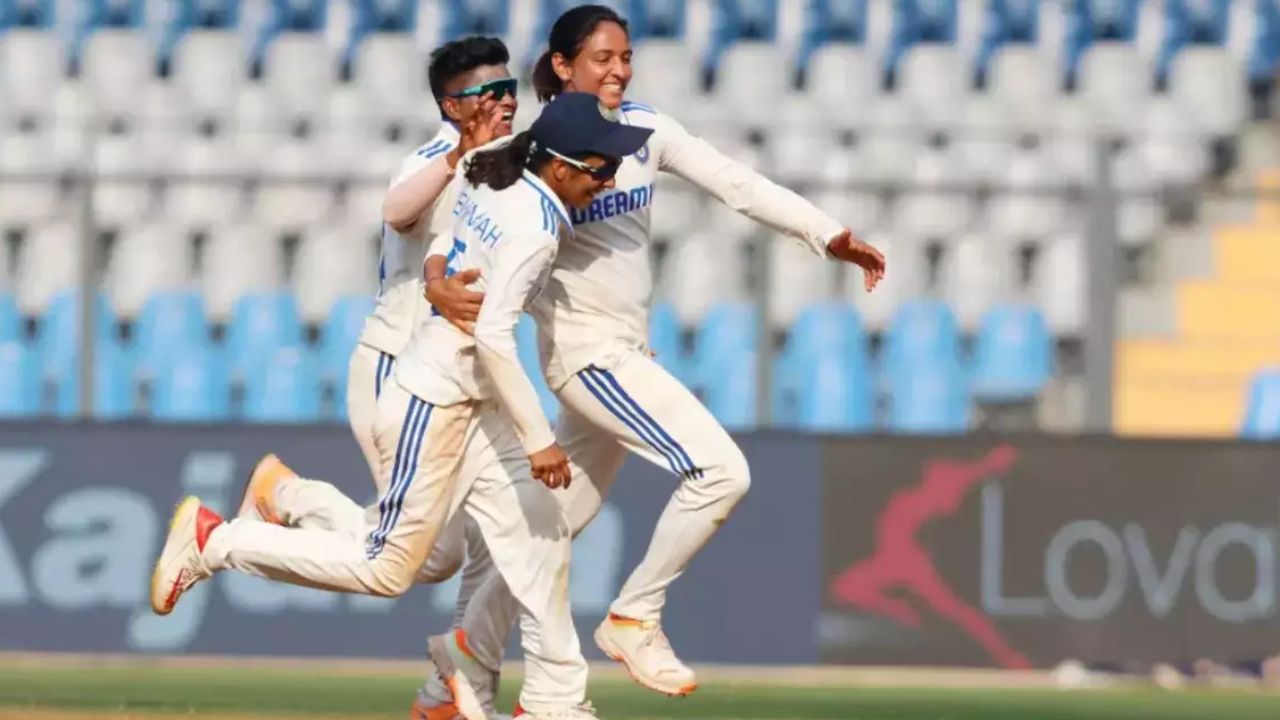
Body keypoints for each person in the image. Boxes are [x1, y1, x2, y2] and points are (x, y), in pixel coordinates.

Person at [415, 4, 886, 711]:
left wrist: (829, 235)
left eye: (626, 56)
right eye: (602, 58)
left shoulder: (644, 132)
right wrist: (432, 272)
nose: (619, 69)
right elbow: (463, 209)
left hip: (623, 351)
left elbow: (737, 183)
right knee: (721, 472)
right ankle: (634, 616)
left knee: (551, 526)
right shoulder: (535, 150)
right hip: (587, 359)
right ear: (564, 65)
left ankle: (460, 661)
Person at [149, 91, 654, 720]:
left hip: (471, 399)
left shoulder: (498, 165)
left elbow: (444, 232)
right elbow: (496, 337)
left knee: (540, 531)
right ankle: (216, 541)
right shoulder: (538, 228)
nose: (608, 182)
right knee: (388, 569)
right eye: (600, 169)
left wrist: (439, 278)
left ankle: (556, 704)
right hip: (436, 400)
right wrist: (539, 439)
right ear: (560, 164)